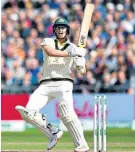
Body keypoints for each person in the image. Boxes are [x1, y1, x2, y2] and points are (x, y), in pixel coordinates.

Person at [15, 18, 89, 152]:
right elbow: (51, 52)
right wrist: (71, 53)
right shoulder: (48, 41)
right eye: (58, 27)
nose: (61, 30)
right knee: (28, 112)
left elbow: (82, 72)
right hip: (46, 83)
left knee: (67, 115)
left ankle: (82, 145)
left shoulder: (73, 47)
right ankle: (53, 133)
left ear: (67, 30)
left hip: (64, 83)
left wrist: (80, 63)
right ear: (55, 29)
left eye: (63, 27)